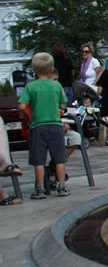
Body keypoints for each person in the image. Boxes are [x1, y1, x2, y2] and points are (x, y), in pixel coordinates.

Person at [18, 52, 69, 199]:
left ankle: (39, 190)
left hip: (38, 127)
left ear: (34, 70)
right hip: (55, 126)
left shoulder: (31, 86)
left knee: (39, 160)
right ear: (52, 69)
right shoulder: (56, 85)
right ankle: (62, 187)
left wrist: (30, 118)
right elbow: (63, 104)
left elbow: (22, 106)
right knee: (59, 159)